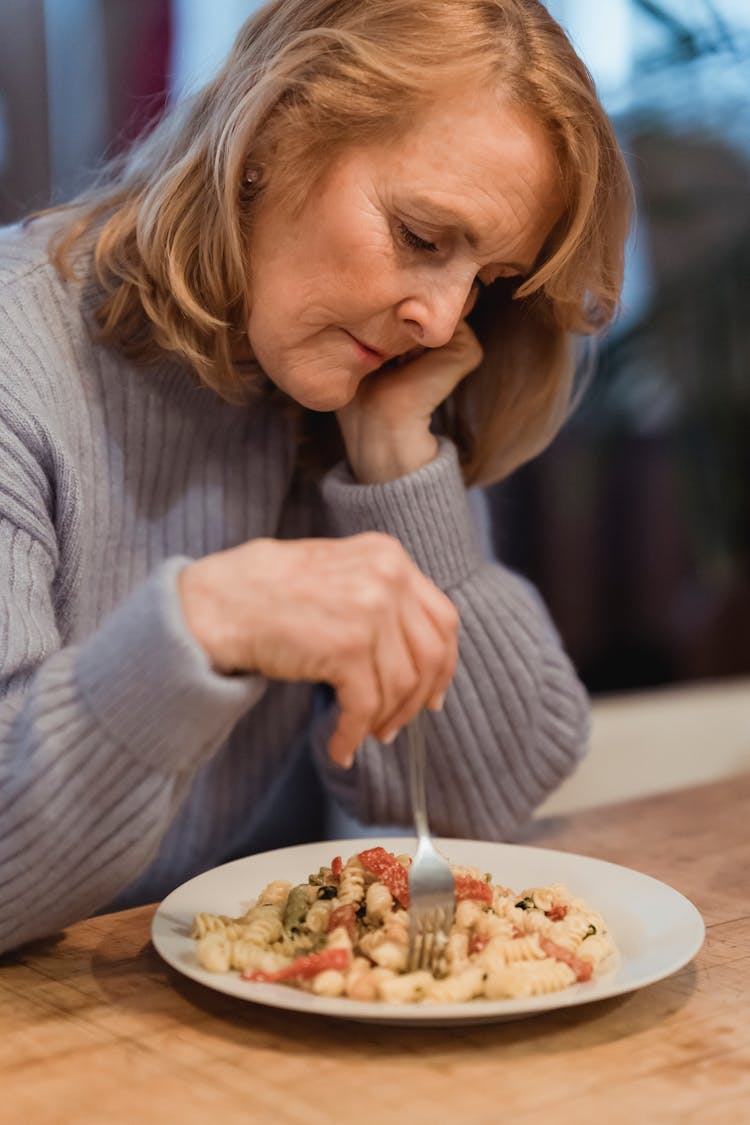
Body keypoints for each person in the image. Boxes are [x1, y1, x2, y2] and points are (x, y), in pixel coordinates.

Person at [0, 0, 631, 954]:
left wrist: (397, 466)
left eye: (489, 279)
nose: (444, 316)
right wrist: (207, 625)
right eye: (422, 238)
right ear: (272, 135)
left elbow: (481, 805)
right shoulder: (17, 358)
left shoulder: (360, 385)